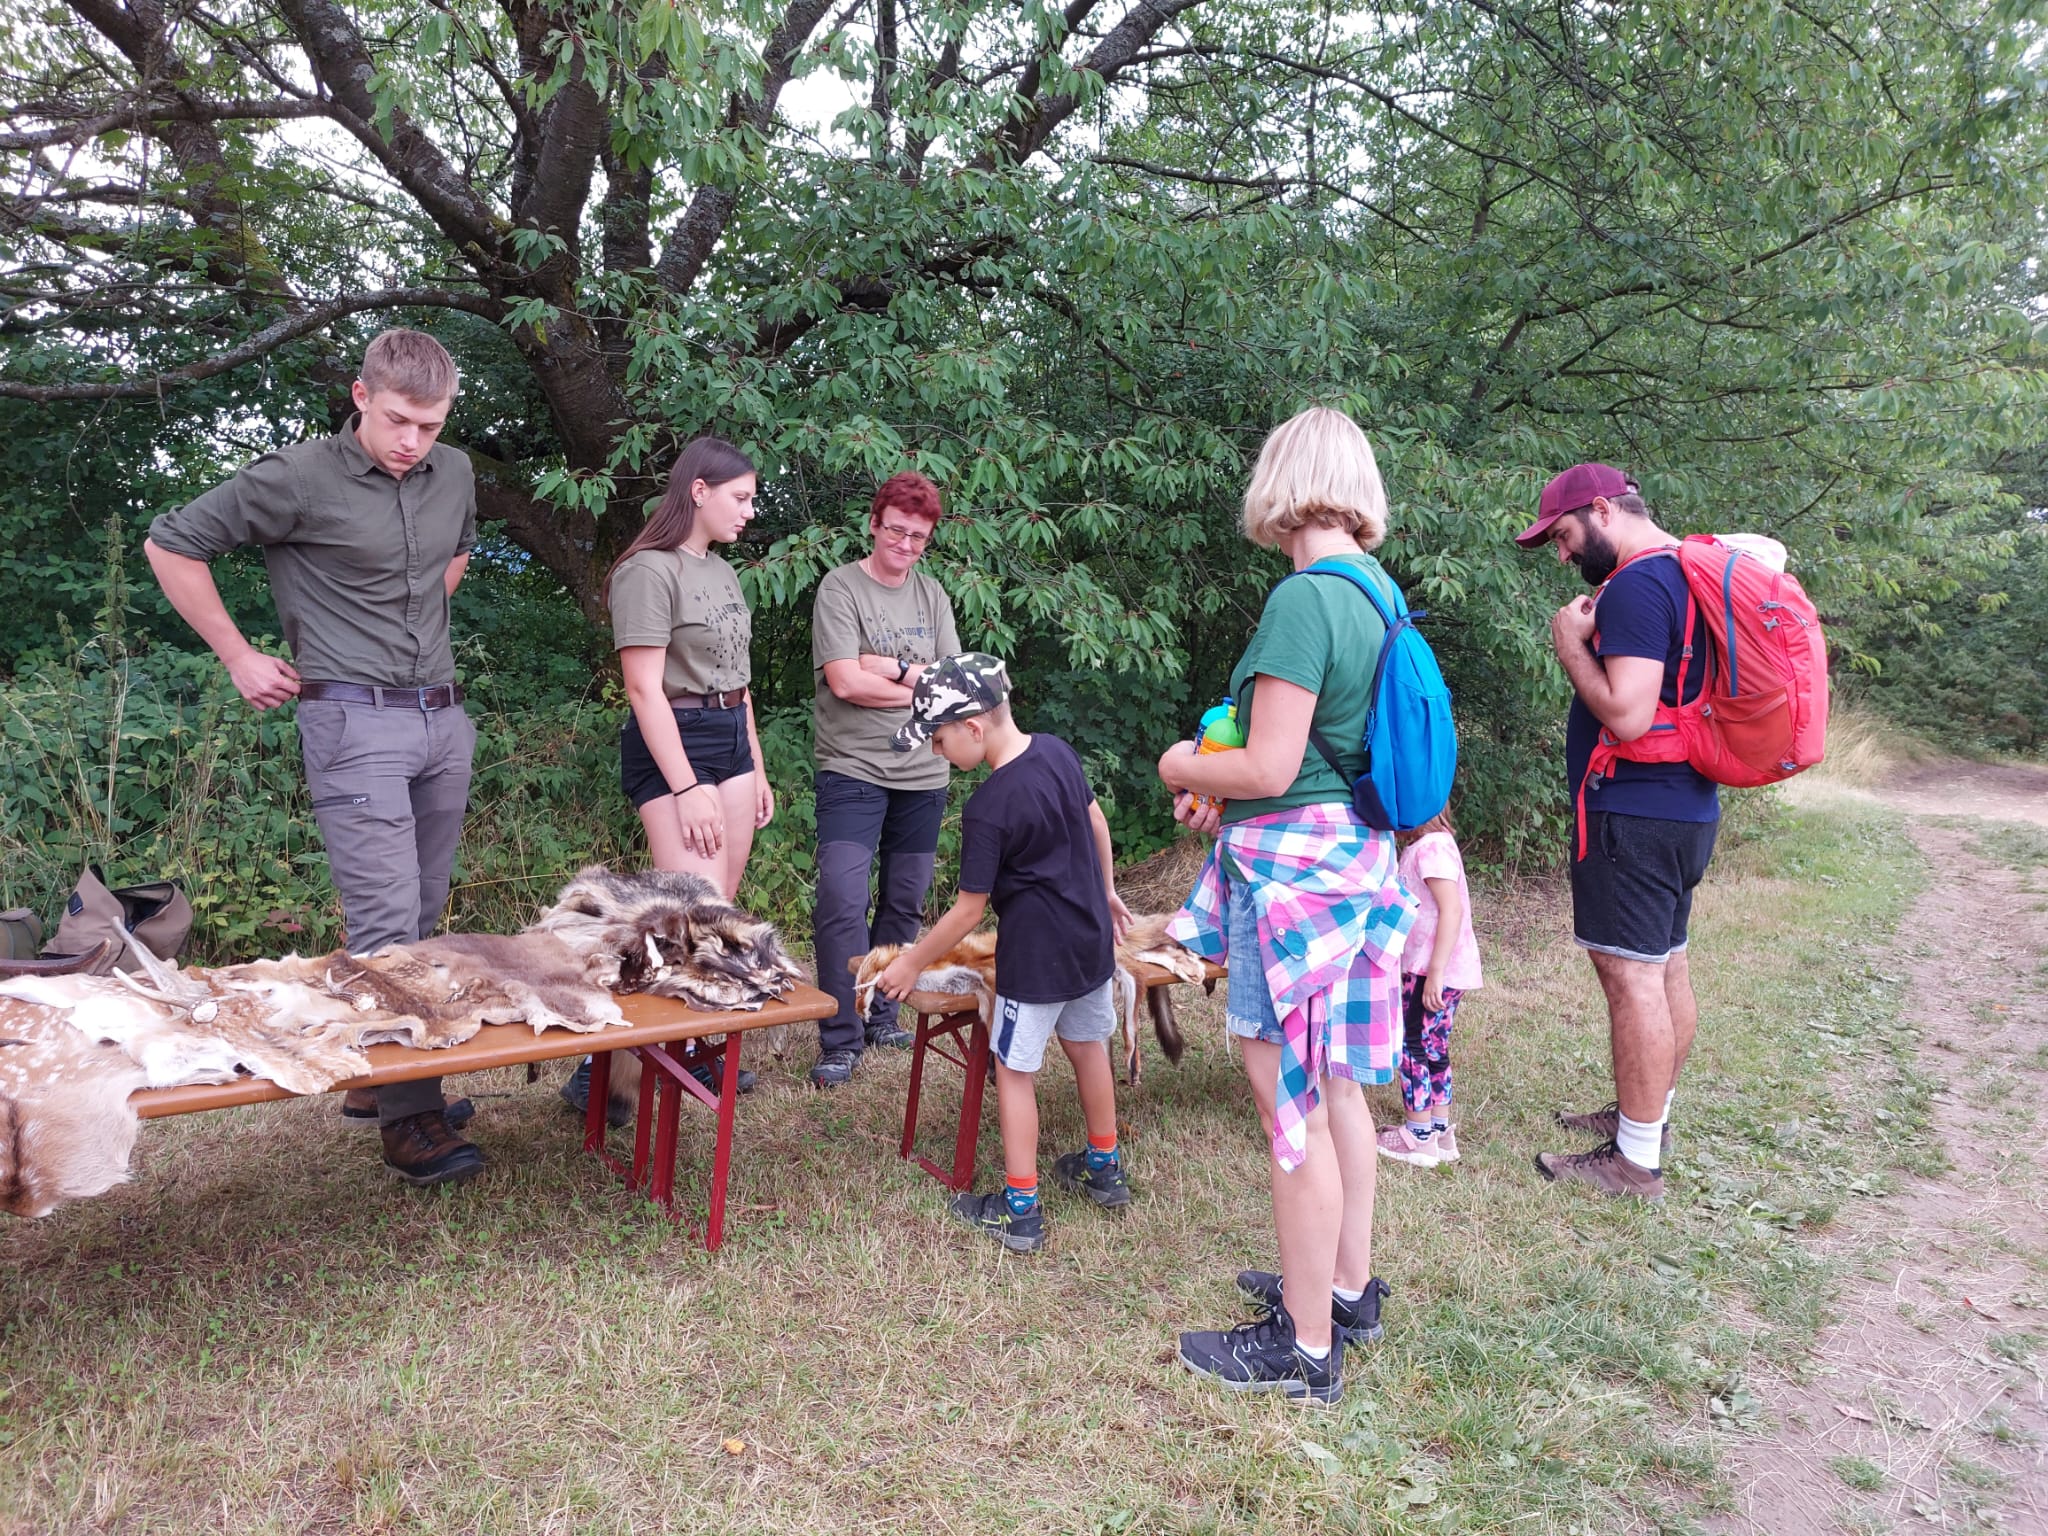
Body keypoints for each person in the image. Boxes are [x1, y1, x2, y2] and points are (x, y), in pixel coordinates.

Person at [143, 328, 485, 1186]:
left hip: (442, 719)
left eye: (431, 426)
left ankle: (377, 1079)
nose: (414, 441)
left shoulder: (456, 474)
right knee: (387, 926)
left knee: (427, 911)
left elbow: (456, 557)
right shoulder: (298, 477)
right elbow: (170, 543)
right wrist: (238, 655)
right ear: (362, 396)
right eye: (400, 420)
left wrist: (402, 615)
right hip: (352, 723)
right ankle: (413, 1121)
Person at [1157, 406, 1414, 1405]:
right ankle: (1344, 1289)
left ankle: (1303, 1350)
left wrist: (1181, 762)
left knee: (1289, 1107)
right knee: (1336, 1087)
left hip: (1292, 878)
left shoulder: (1305, 599)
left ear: (1279, 481)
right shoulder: (1376, 592)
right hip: (1354, 861)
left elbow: (1264, 764)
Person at [876, 654, 1133, 1254]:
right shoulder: (1057, 751)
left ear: (973, 727)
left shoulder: (987, 806)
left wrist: (912, 962)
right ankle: (1105, 1167)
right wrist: (1108, 889)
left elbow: (969, 910)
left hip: (1036, 959)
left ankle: (1021, 1209)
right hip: (1089, 940)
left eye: (938, 740)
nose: (938, 754)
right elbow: (1097, 824)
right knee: (1087, 1048)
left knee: (1014, 1072)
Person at [1515, 463, 1716, 1200]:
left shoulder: (1637, 584)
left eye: (1564, 535)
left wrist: (1570, 646)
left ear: (1603, 510)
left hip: (1633, 811)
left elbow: (1627, 713)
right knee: (1664, 968)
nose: (1563, 554)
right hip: (1685, 807)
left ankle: (1634, 1160)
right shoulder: (1687, 573)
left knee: (1632, 978)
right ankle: (1645, 1117)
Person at [562, 437, 772, 1117]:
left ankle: (686, 1053)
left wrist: (757, 764)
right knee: (676, 920)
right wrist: (684, 788)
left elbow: (740, 682)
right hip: (672, 740)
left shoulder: (722, 571)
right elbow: (643, 689)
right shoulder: (647, 571)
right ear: (700, 491)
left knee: (716, 912)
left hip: (729, 735)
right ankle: (605, 1077)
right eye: (741, 497)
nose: (750, 509)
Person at [807, 471, 960, 1089]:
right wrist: (914, 683)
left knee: (904, 899)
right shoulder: (840, 588)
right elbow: (844, 682)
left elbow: (952, 689)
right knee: (842, 899)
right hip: (852, 767)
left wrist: (889, 667)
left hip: (924, 771)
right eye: (895, 529)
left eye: (917, 536)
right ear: (874, 524)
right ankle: (840, 1035)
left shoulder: (934, 596)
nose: (905, 543)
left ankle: (882, 1014)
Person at [1377, 811, 1483, 1168]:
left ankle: (1418, 1136)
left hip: (1429, 970)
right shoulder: (1430, 846)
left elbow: (1450, 910)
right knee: (1434, 1044)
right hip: (1440, 969)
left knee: (1413, 1046)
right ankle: (1440, 1130)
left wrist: (1434, 972)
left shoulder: (1431, 849)